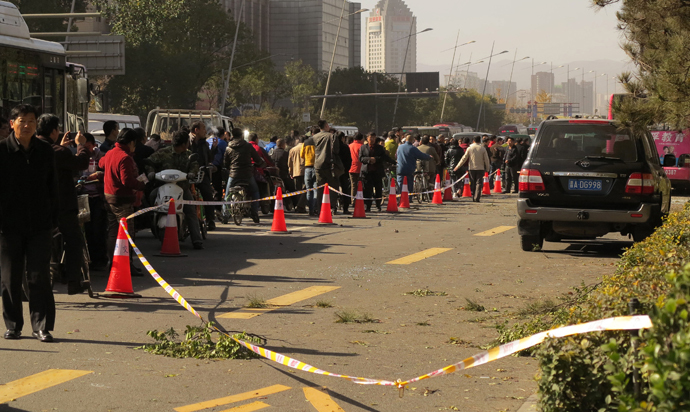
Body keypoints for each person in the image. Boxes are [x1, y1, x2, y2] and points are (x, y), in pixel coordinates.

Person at [0, 105, 58, 342]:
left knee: (39, 276)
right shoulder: (1, 151)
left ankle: (41, 326)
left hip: (40, 225)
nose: (27, 125)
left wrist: (54, 220)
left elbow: (53, 186)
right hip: (8, 226)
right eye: (22, 121)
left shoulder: (45, 150)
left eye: (31, 121)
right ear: (12, 123)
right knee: (10, 278)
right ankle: (13, 325)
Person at [36, 114, 91, 295]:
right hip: (62, 206)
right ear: (54, 131)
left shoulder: (32, 148)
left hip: (38, 205)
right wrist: (81, 144)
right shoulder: (58, 152)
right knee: (73, 241)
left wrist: (63, 147)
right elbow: (81, 163)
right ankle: (73, 281)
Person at [99, 128, 146, 276]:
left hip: (109, 198)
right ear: (131, 142)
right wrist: (141, 184)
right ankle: (126, 264)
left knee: (114, 233)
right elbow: (127, 181)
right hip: (122, 201)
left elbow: (101, 164)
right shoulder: (125, 157)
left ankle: (114, 263)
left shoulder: (110, 153)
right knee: (127, 234)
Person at [146, 131, 204, 249]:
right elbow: (149, 162)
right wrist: (150, 172)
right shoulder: (163, 153)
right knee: (151, 197)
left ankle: (197, 240)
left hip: (182, 189)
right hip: (163, 188)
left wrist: (192, 173)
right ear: (184, 143)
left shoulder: (189, 155)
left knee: (191, 212)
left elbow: (194, 165)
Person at [79, 133, 108, 270]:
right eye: (82, 146)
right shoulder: (78, 155)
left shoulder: (101, 156)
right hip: (82, 197)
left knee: (98, 230)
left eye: (88, 147)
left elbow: (107, 173)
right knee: (87, 230)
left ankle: (99, 259)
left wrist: (99, 175)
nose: (85, 150)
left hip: (97, 198)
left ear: (94, 145)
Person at [224, 128, 264, 223]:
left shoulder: (228, 147)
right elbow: (257, 159)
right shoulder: (248, 146)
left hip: (233, 174)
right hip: (247, 174)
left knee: (227, 194)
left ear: (232, 136)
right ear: (242, 136)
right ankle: (254, 213)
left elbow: (225, 163)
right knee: (255, 191)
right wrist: (261, 164)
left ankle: (225, 214)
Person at [313, 121, 344, 215]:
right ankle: (332, 207)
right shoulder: (332, 136)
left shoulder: (314, 137)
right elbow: (336, 150)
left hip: (318, 165)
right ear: (326, 126)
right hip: (329, 165)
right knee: (333, 187)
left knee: (320, 188)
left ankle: (319, 209)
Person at [189, 121, 216, 230]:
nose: (205, 131)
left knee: (208, 194)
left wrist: (214, 148)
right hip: (188, 174)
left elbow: (209, 158)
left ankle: (210, 220)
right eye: (203, 128)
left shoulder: (204, 143)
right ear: (196, 130)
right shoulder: (187, 141)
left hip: (202, 173)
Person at [359, 132, 395, 212]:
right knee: (368, 190)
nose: (372, 139)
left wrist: (376, 159)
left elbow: (383, 157)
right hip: (367, 172)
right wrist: (369, 159)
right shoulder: (363, 147)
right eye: (370, 137)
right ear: (367, 138)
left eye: (373, 138)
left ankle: (378, 205)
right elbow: (361, 158)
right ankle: (367, 206)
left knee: (378, 189)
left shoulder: (379, 148)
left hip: (377, 171)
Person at [454, 135, 491, 202]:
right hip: (480, 168)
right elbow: (486, 159)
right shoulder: (482, 148)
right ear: (480, 140)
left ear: (473, 141)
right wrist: (487, 168)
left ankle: (474, 195)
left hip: (471, 168)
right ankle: (477, 197)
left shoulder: (470, 148)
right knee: (479, 183)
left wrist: (457, 166)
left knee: (473, 182)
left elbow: (464, 158)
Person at [209, 128, 229, 220]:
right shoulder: (223, 143)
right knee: (218, 188)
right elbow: (226, 156)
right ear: (223, 134)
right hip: (217, 168)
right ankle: (217, 208)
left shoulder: (207, 140)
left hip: (206, 167)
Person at [271, 138, 295, 210]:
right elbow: (289, 164)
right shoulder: (285, 153)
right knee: (292, 189)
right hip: (283, 175)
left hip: (273, 175)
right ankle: (295, 205)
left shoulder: (272, 152)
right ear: (283, 145)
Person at [300, 130, 318, 216]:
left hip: (307, 168)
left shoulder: (306, 142)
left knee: (308, 190)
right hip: (316, 167)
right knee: (316, 190)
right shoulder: (318, 142)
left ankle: (310, 210)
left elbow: (301, 155)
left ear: (312, 133)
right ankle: (315, 209)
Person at [288, 136, 307, 213]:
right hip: (305, 171)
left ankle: (299, 206)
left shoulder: (293, 149)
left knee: (298, 190)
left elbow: (290, 163)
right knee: (305, 189)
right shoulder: (306, 148)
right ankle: (300, 206)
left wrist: (290, 172)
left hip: (296, 172)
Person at [337, 131, 352, 214]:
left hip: (335, 171)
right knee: (345, 189)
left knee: (334, 189)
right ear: (343, 138)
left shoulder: (333, 147)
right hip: (344, 171)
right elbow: (349, 160)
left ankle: (334, 207)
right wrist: (347, 169)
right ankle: (345, 208)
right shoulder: (345, 147)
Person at [349, 133, 365, 201]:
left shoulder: (349, 146)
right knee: (361, 185)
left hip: (351, 167)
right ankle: (360, 200)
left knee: (353, 185)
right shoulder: (362, 146)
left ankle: (353, 199)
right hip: (361, 168)